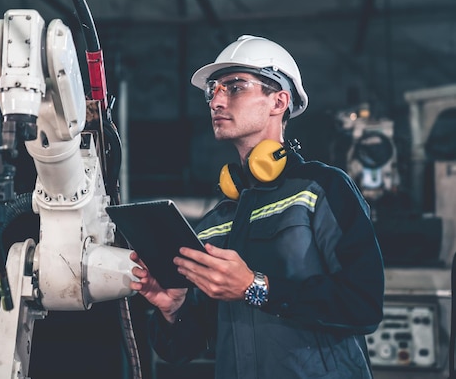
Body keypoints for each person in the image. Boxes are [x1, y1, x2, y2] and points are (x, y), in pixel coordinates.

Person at [129, 35, 385, 378]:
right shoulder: (217, 220)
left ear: (278, 101)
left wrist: (256, 287)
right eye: (212, 90)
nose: (216, 100)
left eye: (234, 87)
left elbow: (364, 305)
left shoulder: (321, 188)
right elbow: (183, 350)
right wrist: (174, 310)